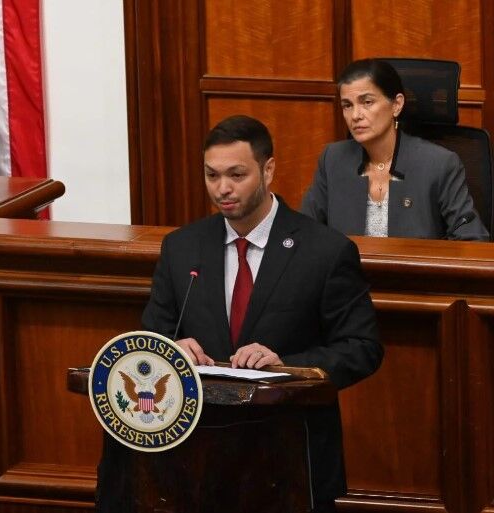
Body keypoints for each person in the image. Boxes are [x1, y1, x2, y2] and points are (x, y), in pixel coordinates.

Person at [139, 115, 384, 512]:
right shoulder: (182, 248)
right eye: (212, 175)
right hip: (197, 457)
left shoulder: (324, 251)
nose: (223, 189)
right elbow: (151, 337)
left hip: (289, 455)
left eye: (237, 174)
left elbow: (362, 348)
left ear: (268, 169)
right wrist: (171, 351)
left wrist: (286, 364)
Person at [301, 58, 489, 240]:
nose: (355, 115)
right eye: (347, 105)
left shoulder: (439, 164)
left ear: (396, 105)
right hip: (346, 272)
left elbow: (472, 240)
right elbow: (303, 233)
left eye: (367, 102)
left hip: (416, 271)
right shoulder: (332, 159)